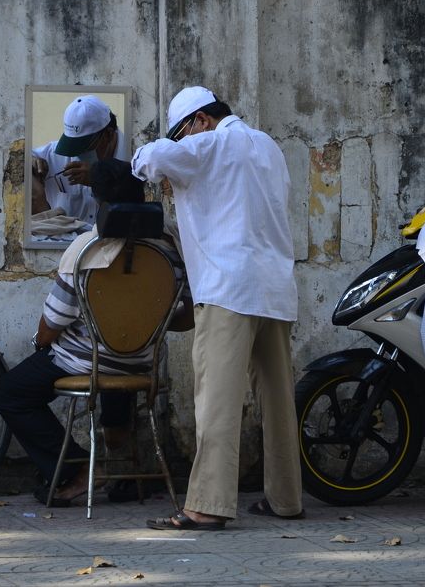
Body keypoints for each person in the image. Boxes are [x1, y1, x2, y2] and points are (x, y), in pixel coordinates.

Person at [132, 86, 302, 530]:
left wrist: (153, 154)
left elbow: (149, 160)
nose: (182, 142)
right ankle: (286, 499)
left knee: (218, 404)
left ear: (200, 121)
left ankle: (206, 506)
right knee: (279, 401)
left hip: (228, 290)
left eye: (182, 133)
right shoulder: (267, 146)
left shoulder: (206, 144)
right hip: (276, 288)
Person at [0, 159, 188, 506]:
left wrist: (40, 344)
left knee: (10, 393)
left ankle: (78, 468)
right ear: (142, 194)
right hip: (140, 362)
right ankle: (125, 474)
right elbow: (186, 315)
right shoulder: (171, 248)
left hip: (86, 361)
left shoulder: (87, 248)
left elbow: (53, 322)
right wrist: (143, 322)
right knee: (117, 369)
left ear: (97, 200)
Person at [30, 95, 129, 228]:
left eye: (84, 147)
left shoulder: (135, 160)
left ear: (108, 135)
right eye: (73, 146)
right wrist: (31, 163)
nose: (77, 154)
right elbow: (19, 158)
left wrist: (99, 179)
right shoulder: (54, 155)